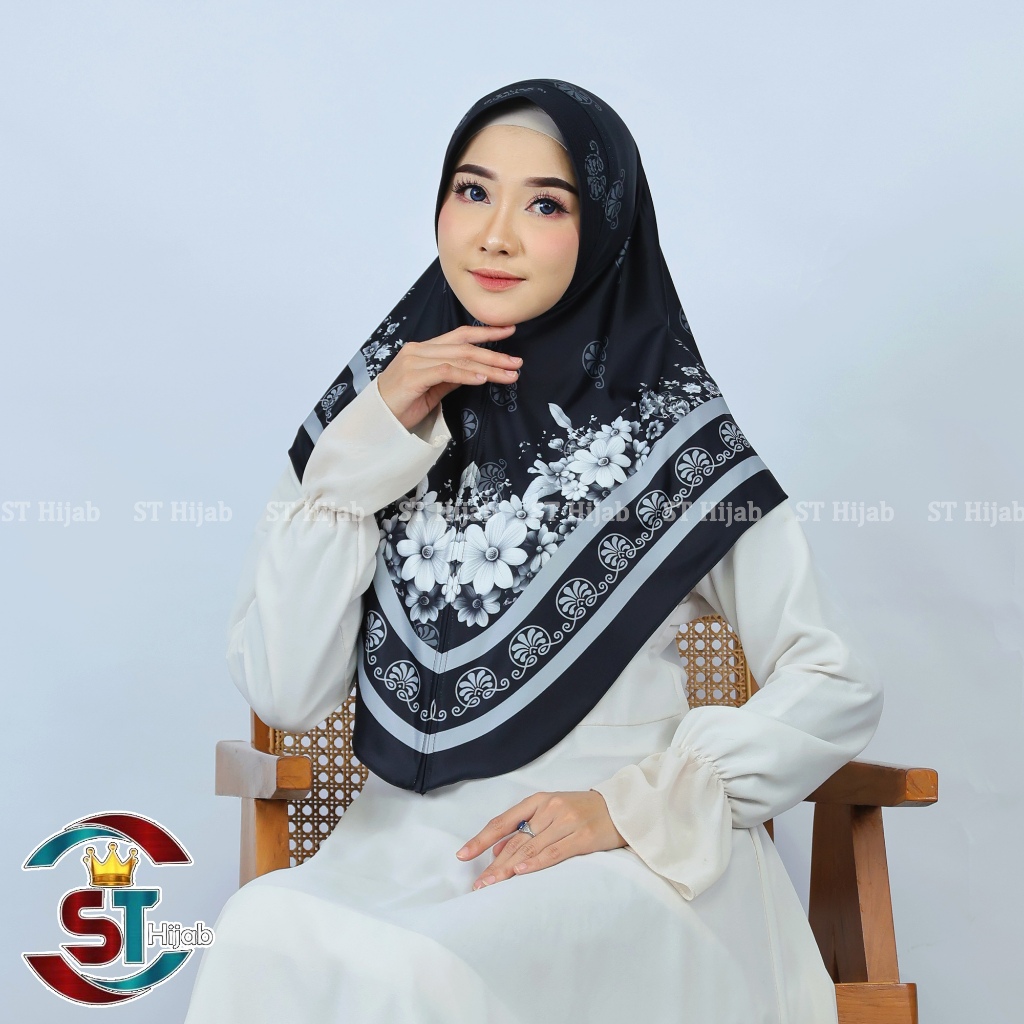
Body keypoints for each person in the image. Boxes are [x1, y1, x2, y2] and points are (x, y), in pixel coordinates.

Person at [184, 79, 882, 1023]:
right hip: (397, 851)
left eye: (546, 205)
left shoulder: (674, 437)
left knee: (414, 971)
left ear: (605, 233)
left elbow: (834, 678)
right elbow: (286, 691)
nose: (495, 235)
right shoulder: (368, 420)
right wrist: (367, 445)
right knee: (261, 929)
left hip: (619, 864)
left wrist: (632, 807)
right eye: (472, 191)